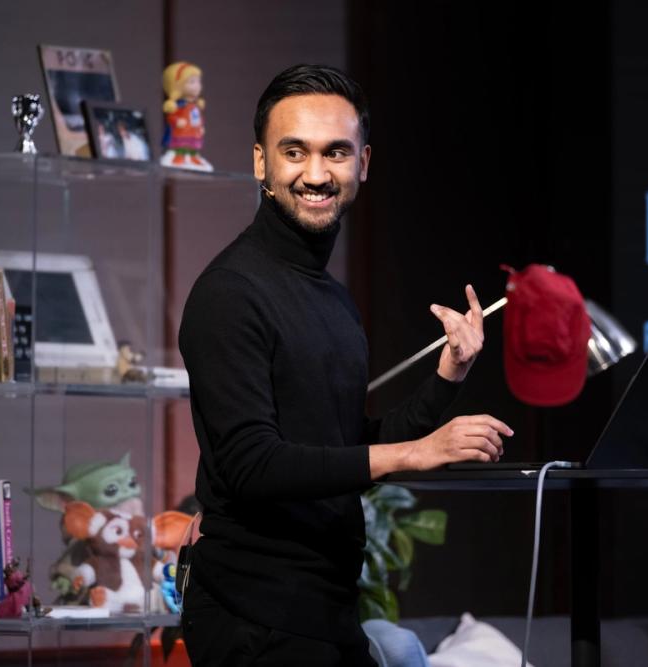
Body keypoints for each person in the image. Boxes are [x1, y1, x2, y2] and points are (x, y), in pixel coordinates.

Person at [178, 63, 513, 666]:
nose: (315, 174)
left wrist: (449, 376)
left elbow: (343, 451)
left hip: (324, 612)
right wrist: (413, 454)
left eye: (335, 152)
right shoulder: (230, 292)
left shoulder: (332, 299)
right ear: (260, 163)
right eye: (294, 152)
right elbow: (253, 465)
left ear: (363, 163)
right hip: (254, 616)